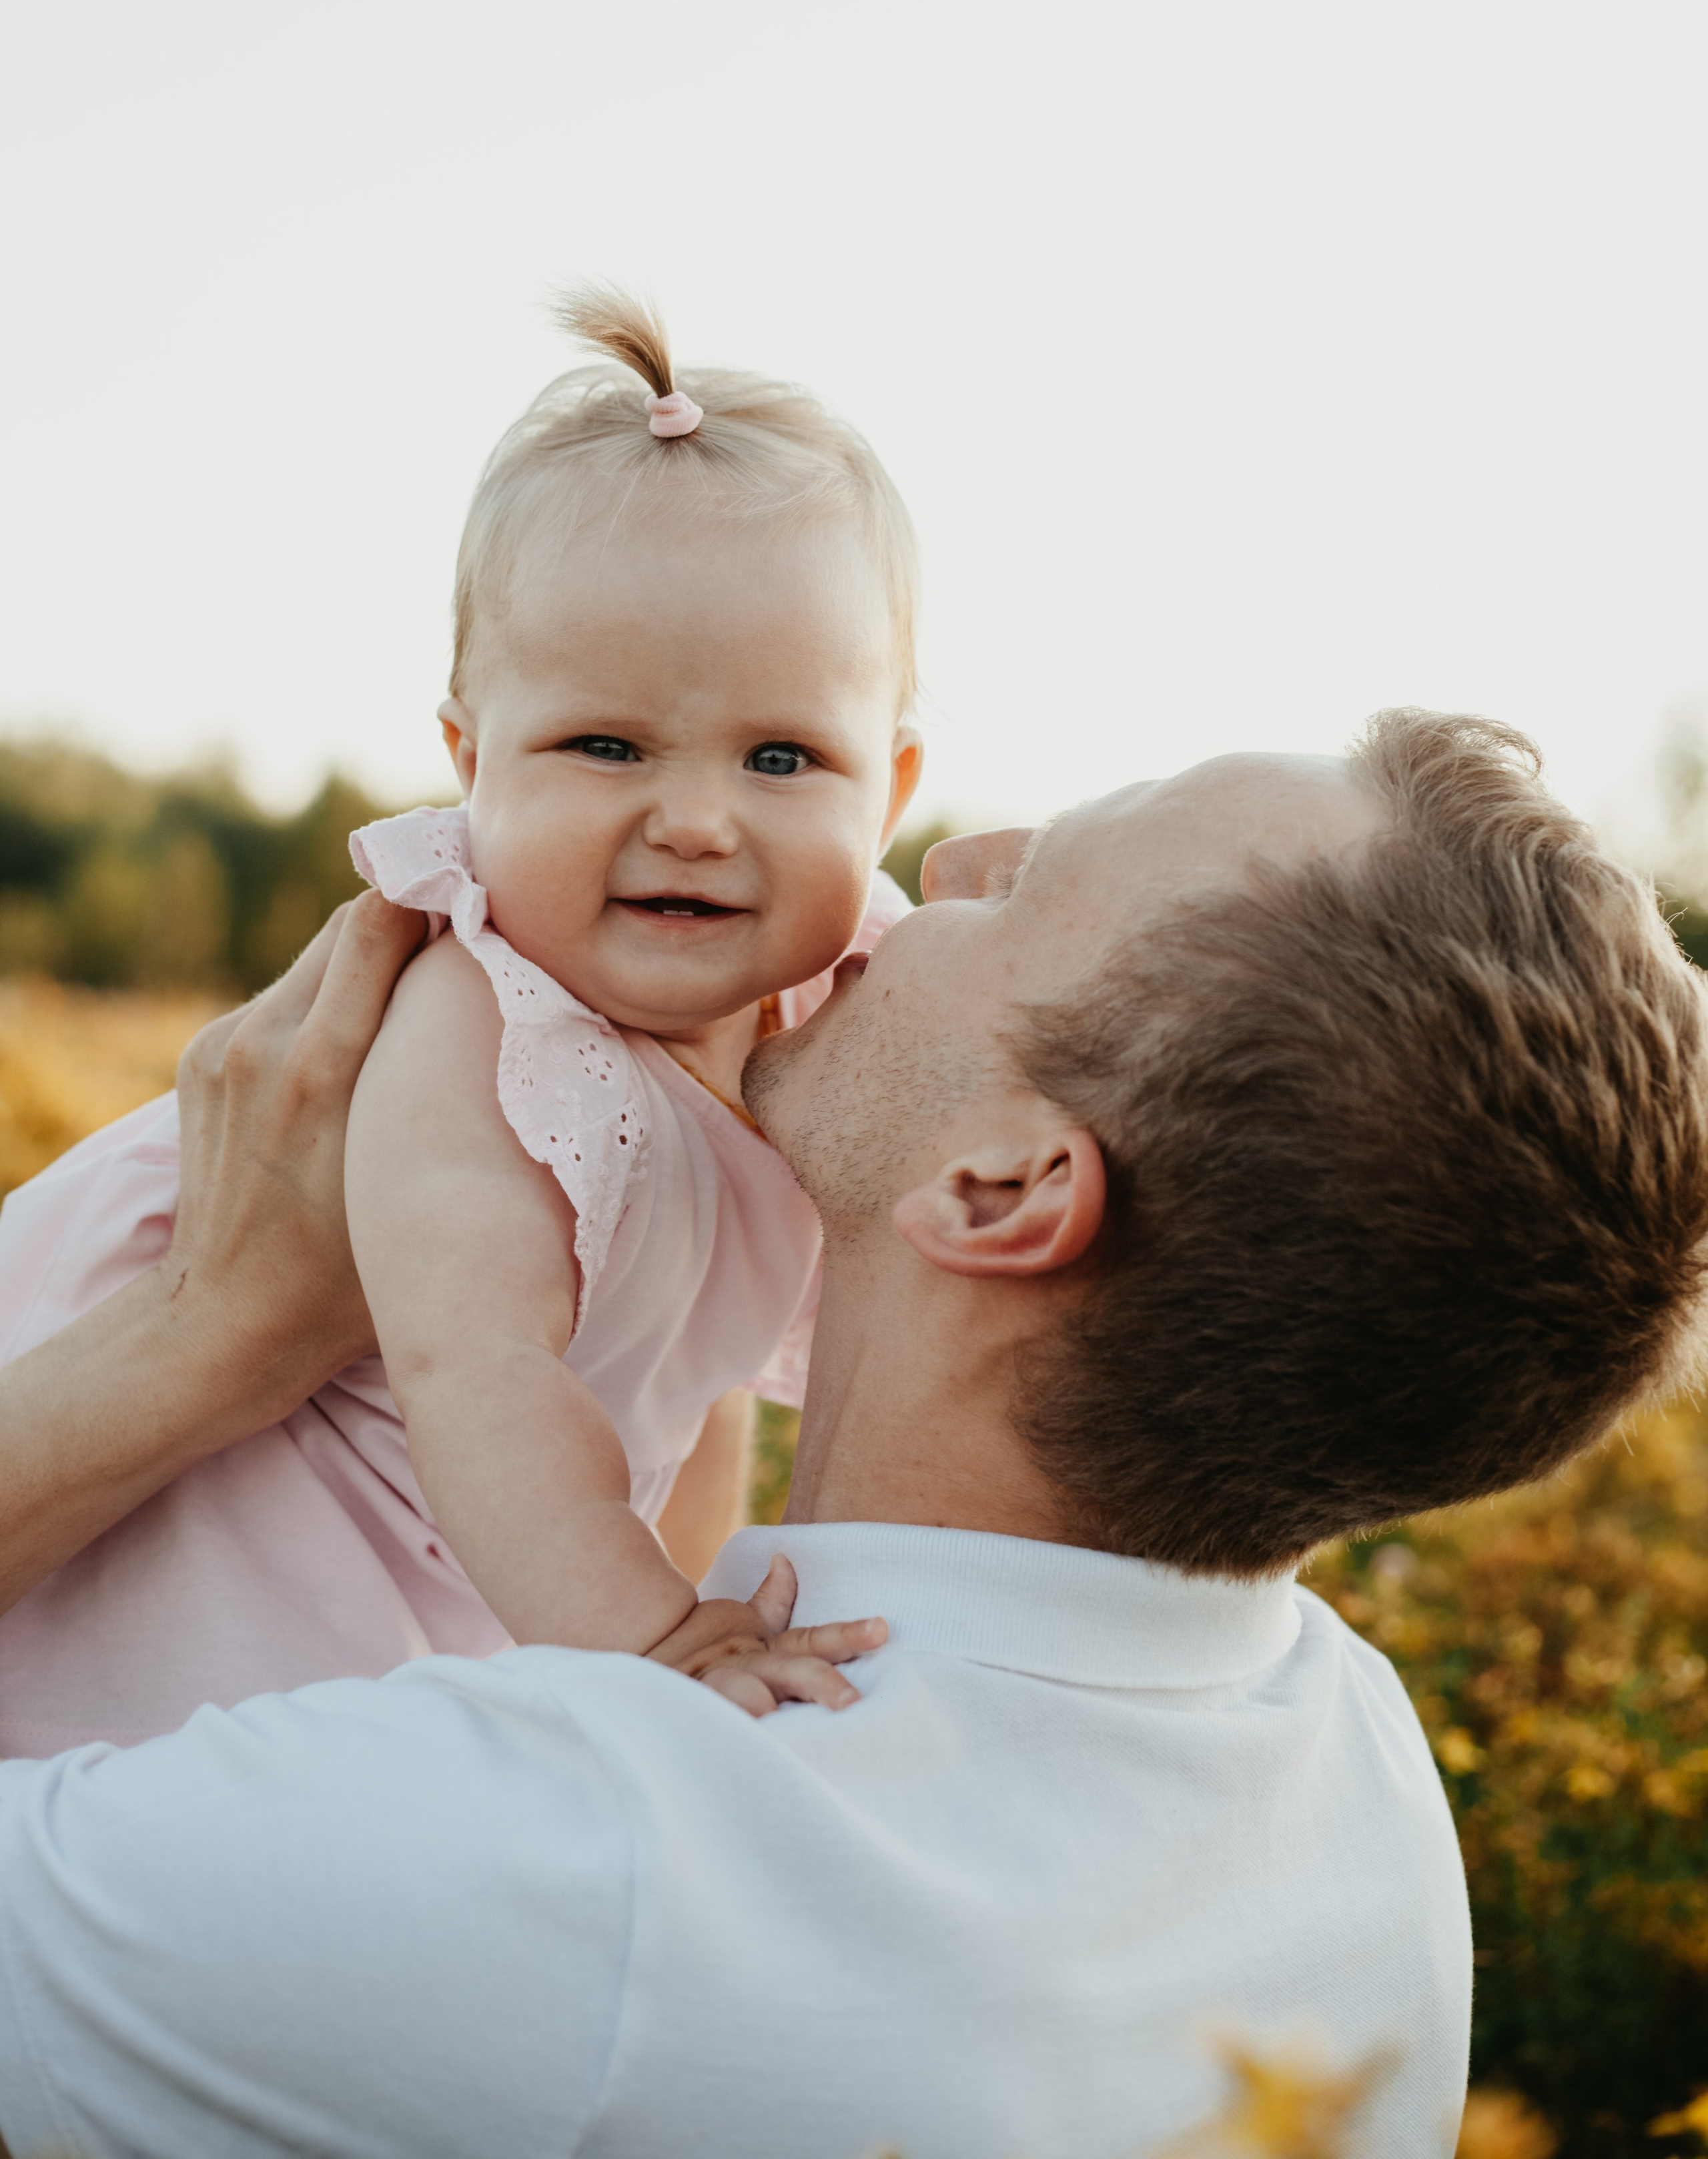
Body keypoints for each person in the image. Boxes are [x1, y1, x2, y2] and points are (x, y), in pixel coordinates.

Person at [3, 712, 1706, 2159]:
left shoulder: (581, 1860)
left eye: (1029, 889)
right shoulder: (1357, 1776)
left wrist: (204, 1330)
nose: (942, 860)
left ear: (1003, 1188)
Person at [0, 288, 922, 1754]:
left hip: (485, 1544)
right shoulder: (481, 1019)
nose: (694, 819)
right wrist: (655, 1642)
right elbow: (478, 1371)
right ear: (469, 759)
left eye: (781, 758)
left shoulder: (838, 1009)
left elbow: (697, 1396)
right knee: (270, 1787)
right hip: (238, 1529)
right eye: (605, 745)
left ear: (891, 790)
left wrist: (691, 1603)